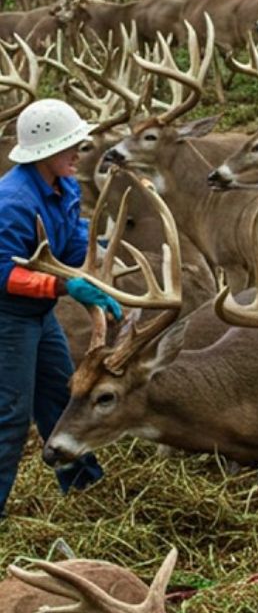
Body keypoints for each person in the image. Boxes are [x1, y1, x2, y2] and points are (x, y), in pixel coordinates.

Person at [0, 99, 119, 519]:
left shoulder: (64, 186)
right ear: (46, 150)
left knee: (60, 396)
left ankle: (85, 490)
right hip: (7, 317)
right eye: (71, 146)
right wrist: (66, 285)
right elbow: (2, 272)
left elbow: (69, 242)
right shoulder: (12, 202)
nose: (79, 153)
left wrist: (97, 262)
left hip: (38, 314)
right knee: (10, 414)